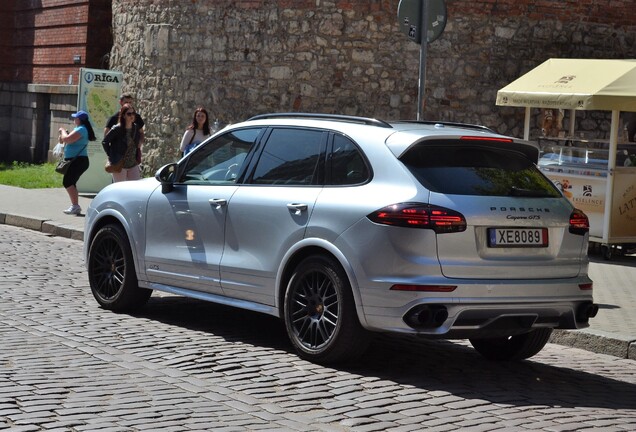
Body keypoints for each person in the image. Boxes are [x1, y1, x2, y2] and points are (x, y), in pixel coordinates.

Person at [58, 110, 95, 215]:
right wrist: (63, 136)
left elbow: (67, 139)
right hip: (76, 160)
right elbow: (64, 140)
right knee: (71, 182)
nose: (74, 119)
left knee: (68, 182)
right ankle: (75, 206)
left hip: (78, 160)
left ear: (79, 120)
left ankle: (75, 206)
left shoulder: (82, 129)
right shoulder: (80, 129)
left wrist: (62, 131)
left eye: (75, 118)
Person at [102, 103, 143, 182]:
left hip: (133, 164)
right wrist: (111, 155)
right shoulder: (117, 128)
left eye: (133, 113)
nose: (132, 116)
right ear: (123, 115)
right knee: (119, 189)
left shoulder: (136, 127)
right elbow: (105, 142)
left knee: (136, 188)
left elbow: (140, 135)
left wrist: (140, 142)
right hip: (119, 164)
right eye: (129, 114)